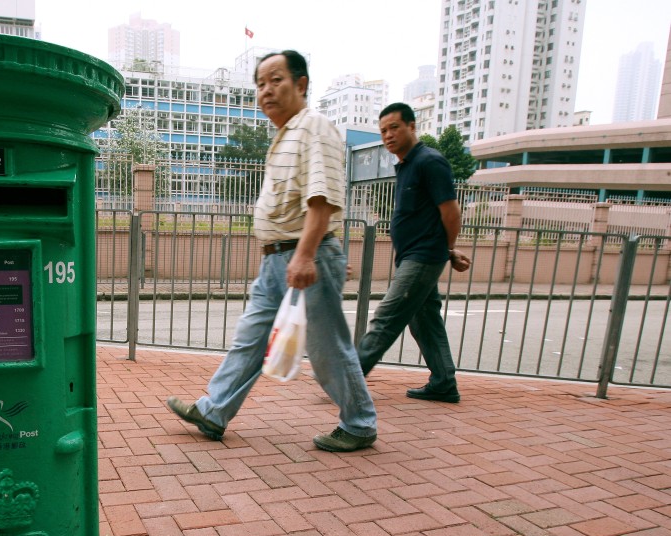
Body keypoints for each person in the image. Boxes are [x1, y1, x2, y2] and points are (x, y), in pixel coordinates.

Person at [166, 50, 377, 453]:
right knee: (249, 339)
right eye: (260, 84)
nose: (266, 91)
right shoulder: (286, 134)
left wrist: (310, 253)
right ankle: (214, 411)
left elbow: (322, 199)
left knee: (327, 346)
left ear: (301, 84)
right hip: (276, 260)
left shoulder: (313, 126)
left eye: (275, 80)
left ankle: (360, 422)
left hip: (298, 257)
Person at [356, 102, 471, 403]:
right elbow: (427, 217)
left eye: (394, 127)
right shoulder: (407, 165)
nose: (388, 135)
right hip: (415, 256)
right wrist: (447, 251)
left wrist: (445, 249)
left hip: (422, 257)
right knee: (424, 319)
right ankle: (444, 382)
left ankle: (348, 377)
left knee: (387, 316)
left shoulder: (429, 162)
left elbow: (451, 212)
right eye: (383, 131)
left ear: (412, 126)